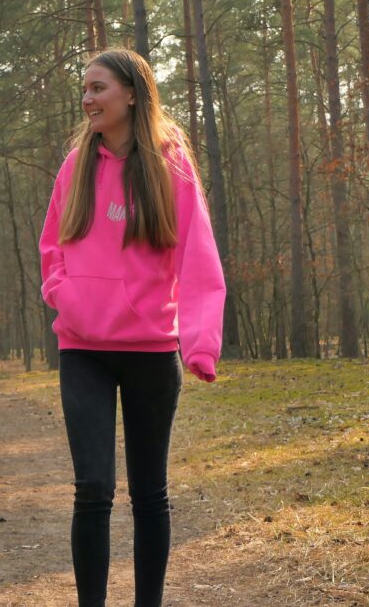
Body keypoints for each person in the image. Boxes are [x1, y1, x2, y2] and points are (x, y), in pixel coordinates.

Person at [39, 49, 226, 607]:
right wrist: (65, 298)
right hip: (84, 350)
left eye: (98, 88)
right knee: (92, 489)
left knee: (150, 493)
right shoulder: (76, 166)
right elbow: (53, 248)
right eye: (85, 90)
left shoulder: (170, 165)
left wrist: (200, 343)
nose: (88, 99)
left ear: (131, 93)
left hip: (151, 349)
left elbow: (198, 255)